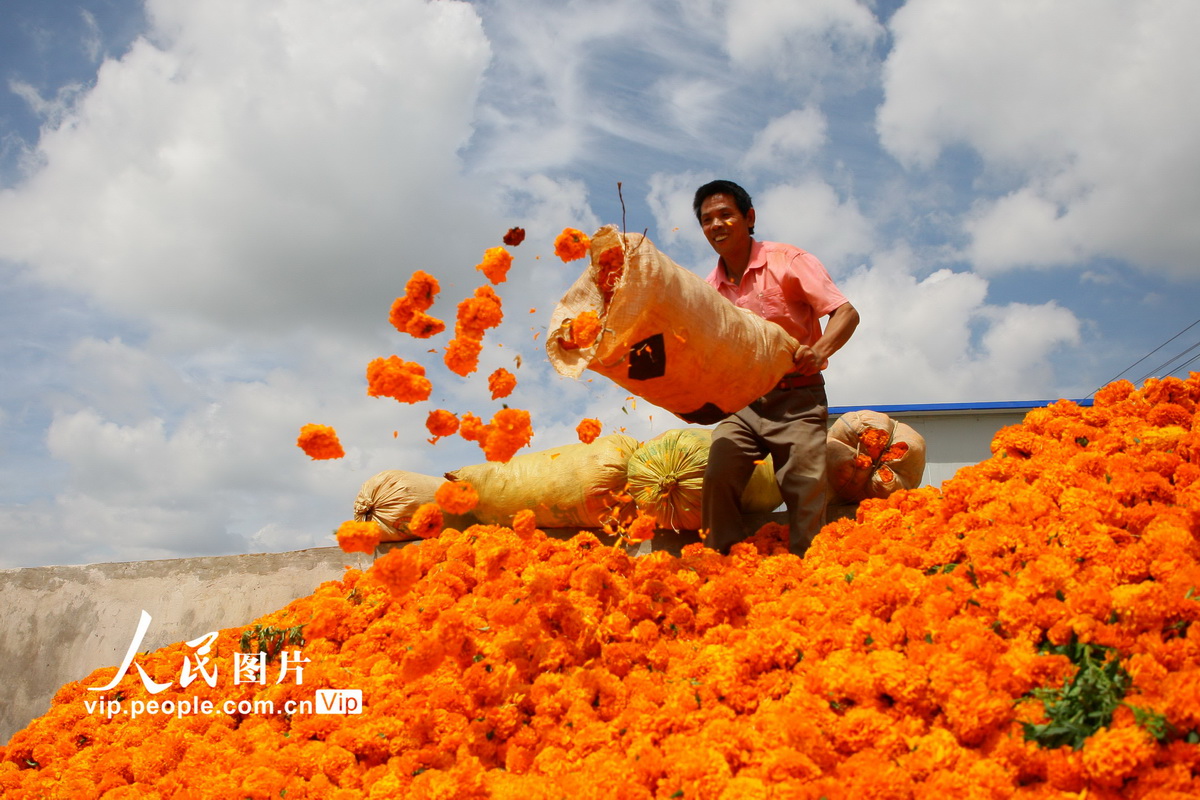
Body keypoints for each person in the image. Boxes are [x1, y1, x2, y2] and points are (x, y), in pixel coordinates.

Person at [695, 179, 859, 556]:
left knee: (804, 484)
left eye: (725, 215)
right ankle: (724, 567)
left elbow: (846, 313)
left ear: (749, 217)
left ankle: (806, 576)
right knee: (719, 472)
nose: (716, 225)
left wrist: (818, 352)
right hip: (745, 404)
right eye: (707, 220)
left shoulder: (788, 260)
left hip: (798, 398)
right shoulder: (708, 291)